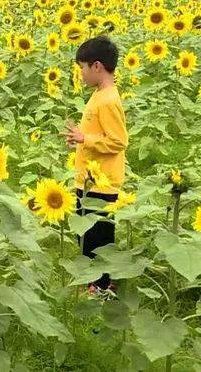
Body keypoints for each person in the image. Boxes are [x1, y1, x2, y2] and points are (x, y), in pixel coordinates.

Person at [62, 37, 129, 296]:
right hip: (89, 179)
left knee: (97, 238)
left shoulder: (108, 100)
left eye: (83, 67)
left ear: (97, 66)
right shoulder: (100, 96)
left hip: (102, 184)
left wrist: (85, 138)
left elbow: (119, 141)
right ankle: (97, 283)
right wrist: (81, 138)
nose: (81, 73)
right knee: (88, 236)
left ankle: (101, 288)